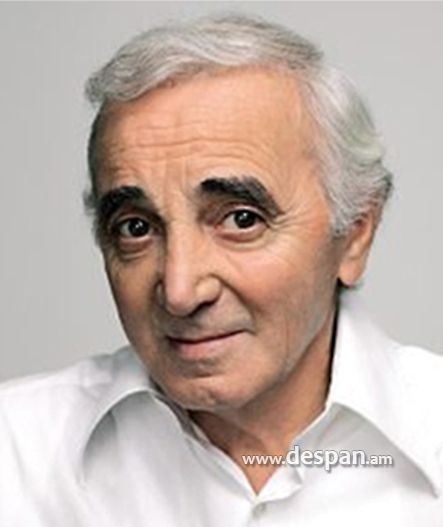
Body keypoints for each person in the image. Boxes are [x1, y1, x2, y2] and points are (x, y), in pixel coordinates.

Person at [0, 13, 442, 526]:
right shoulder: (15, 454)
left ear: (356, 232)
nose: (181, 291)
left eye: (241, 219)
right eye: (136, 227)